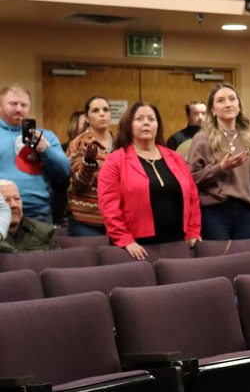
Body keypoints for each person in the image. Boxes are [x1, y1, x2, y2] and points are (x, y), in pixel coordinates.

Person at [96, 103, 201, 260]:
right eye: (139, 119)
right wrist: (124, 239)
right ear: (128, 125)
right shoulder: (115, 160)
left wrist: (193, 231)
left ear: (157, 125)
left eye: (151, 119)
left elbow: (193, 198)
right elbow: (109, 206)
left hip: (178, 243)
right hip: (136, 248)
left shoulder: (175, 158)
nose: (146, 122)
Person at [188, 83, 250, 240]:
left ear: (238, 105)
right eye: (221, 100)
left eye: (232, 99)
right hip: (215, 213)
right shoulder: (202, 139)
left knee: (246, 261)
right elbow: (192, 179)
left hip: (247, 213)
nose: (228, 104)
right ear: (212, 109)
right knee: (220, 262)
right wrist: (220, 168)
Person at [0, 84, 70, 223]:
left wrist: (45, 150)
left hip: (39, 213)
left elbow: (64, 172)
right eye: (13, 104)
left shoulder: (46, 136)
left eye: (24, 105)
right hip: (2, 213)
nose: (19, 109)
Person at [65, 96, 115, 236]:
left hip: (116, 217)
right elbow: (78, 184)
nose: (102, 113)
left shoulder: (120, 142)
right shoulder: (79, 143)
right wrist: (88, 163)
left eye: (106, 109)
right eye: (95, 110)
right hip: (85, 220)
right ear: (87, 117)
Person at [0, 179, 57, 253]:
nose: (14, 205)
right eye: (6, 200)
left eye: (17, 199)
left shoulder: (44, 231)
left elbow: (57, 260)